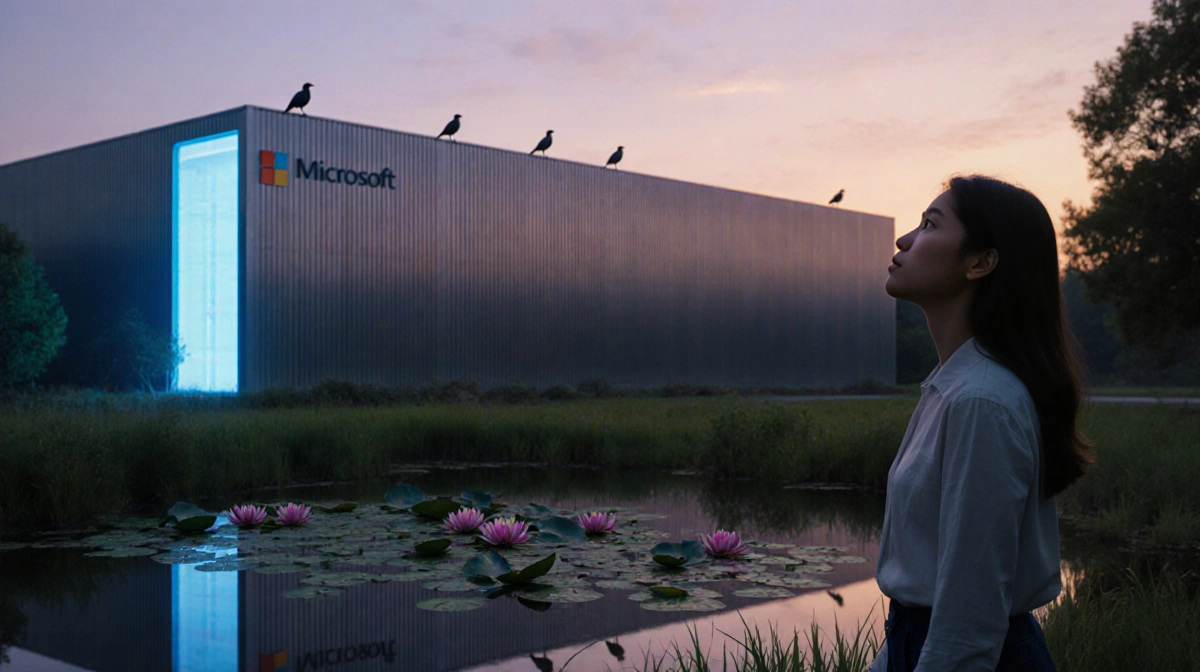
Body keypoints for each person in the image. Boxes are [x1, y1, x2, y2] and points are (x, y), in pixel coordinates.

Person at [868, 175, 1093, 671]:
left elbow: (968, 625)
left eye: (930, 225)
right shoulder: (952, 386)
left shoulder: (981, 401)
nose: (905, 240)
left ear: (980, 262)